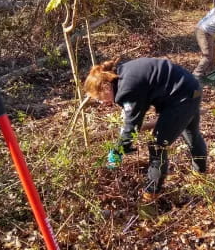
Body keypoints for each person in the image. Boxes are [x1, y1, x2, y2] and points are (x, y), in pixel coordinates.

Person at [84, 57, 207, 199]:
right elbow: (131, 113)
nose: (102, 103)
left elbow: (132, 125)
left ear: (106, 87)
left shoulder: (127, 88)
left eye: (99, 98)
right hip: (191, 87)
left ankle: (151, 194)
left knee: (157, 145)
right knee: (192, 134)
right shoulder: (121, 74)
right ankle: (201, 176)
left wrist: (118, 151)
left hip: (182, 97)